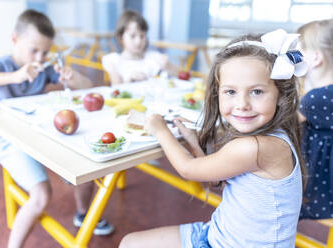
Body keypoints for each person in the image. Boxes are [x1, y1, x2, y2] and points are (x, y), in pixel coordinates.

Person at [119, 29, 308, 248]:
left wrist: (160, 130)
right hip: (218, 233)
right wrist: (192, 141)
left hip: (225, 243)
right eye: (230, 92)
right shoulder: (271, 135)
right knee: (130, 243)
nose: (242, 104)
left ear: (280, 96)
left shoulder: (255, 147)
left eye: (256, 92)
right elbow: (217, 178)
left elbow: (188, 169)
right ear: (218, 93)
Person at [0, 9, 113, 248]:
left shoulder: (44, 67)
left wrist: (72, 78)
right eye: (34, 50)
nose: (40, 57)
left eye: (45, 52)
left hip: (43, 134)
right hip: (8, 140)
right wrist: (14, 77)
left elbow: (88, 86)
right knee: (41, 196)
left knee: (88, 166)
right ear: (14, 40)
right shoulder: (3, 64)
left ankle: (83, 214)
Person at [297, 19, 333, 220]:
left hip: (322, 190)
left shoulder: (316, 99)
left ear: (316, 58)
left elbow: (283, 123)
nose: (295, 56)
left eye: (300, 51)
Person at [102, 10, 177, 85]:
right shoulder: (114, 61)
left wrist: (168, 66)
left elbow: (179, 75)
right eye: (132, 36)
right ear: (121, 37)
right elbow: (116, 89)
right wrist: (128, 81)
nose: (138, 41)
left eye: (142, 36)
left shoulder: (153, 57)